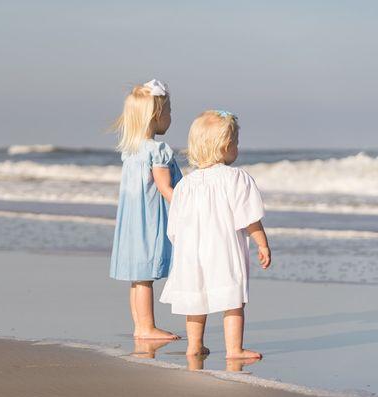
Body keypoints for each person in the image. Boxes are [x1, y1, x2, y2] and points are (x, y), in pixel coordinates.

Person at [160, 110, 271, 358]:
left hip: (191, 253)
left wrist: (185, 248)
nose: (238, 148)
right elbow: (250, 217)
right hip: (223, 250)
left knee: (195, 300)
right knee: (232, 300)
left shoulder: (185, 185)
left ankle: (194, 345)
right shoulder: (236, 178)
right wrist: (262, 244)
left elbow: (174, 228)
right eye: (236, 143)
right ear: (225, 146)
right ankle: (234, 350)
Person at [110, 79, 182, 340]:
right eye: (170, 111)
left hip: (132, 221)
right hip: (149, 221)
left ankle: (140, 326)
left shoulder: (131, 151)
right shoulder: (158, 150)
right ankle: (146, 327)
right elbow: (164, 187)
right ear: (157, 115)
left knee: (138, 279)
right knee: (145, 278)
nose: (172, 117)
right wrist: (187, 206)